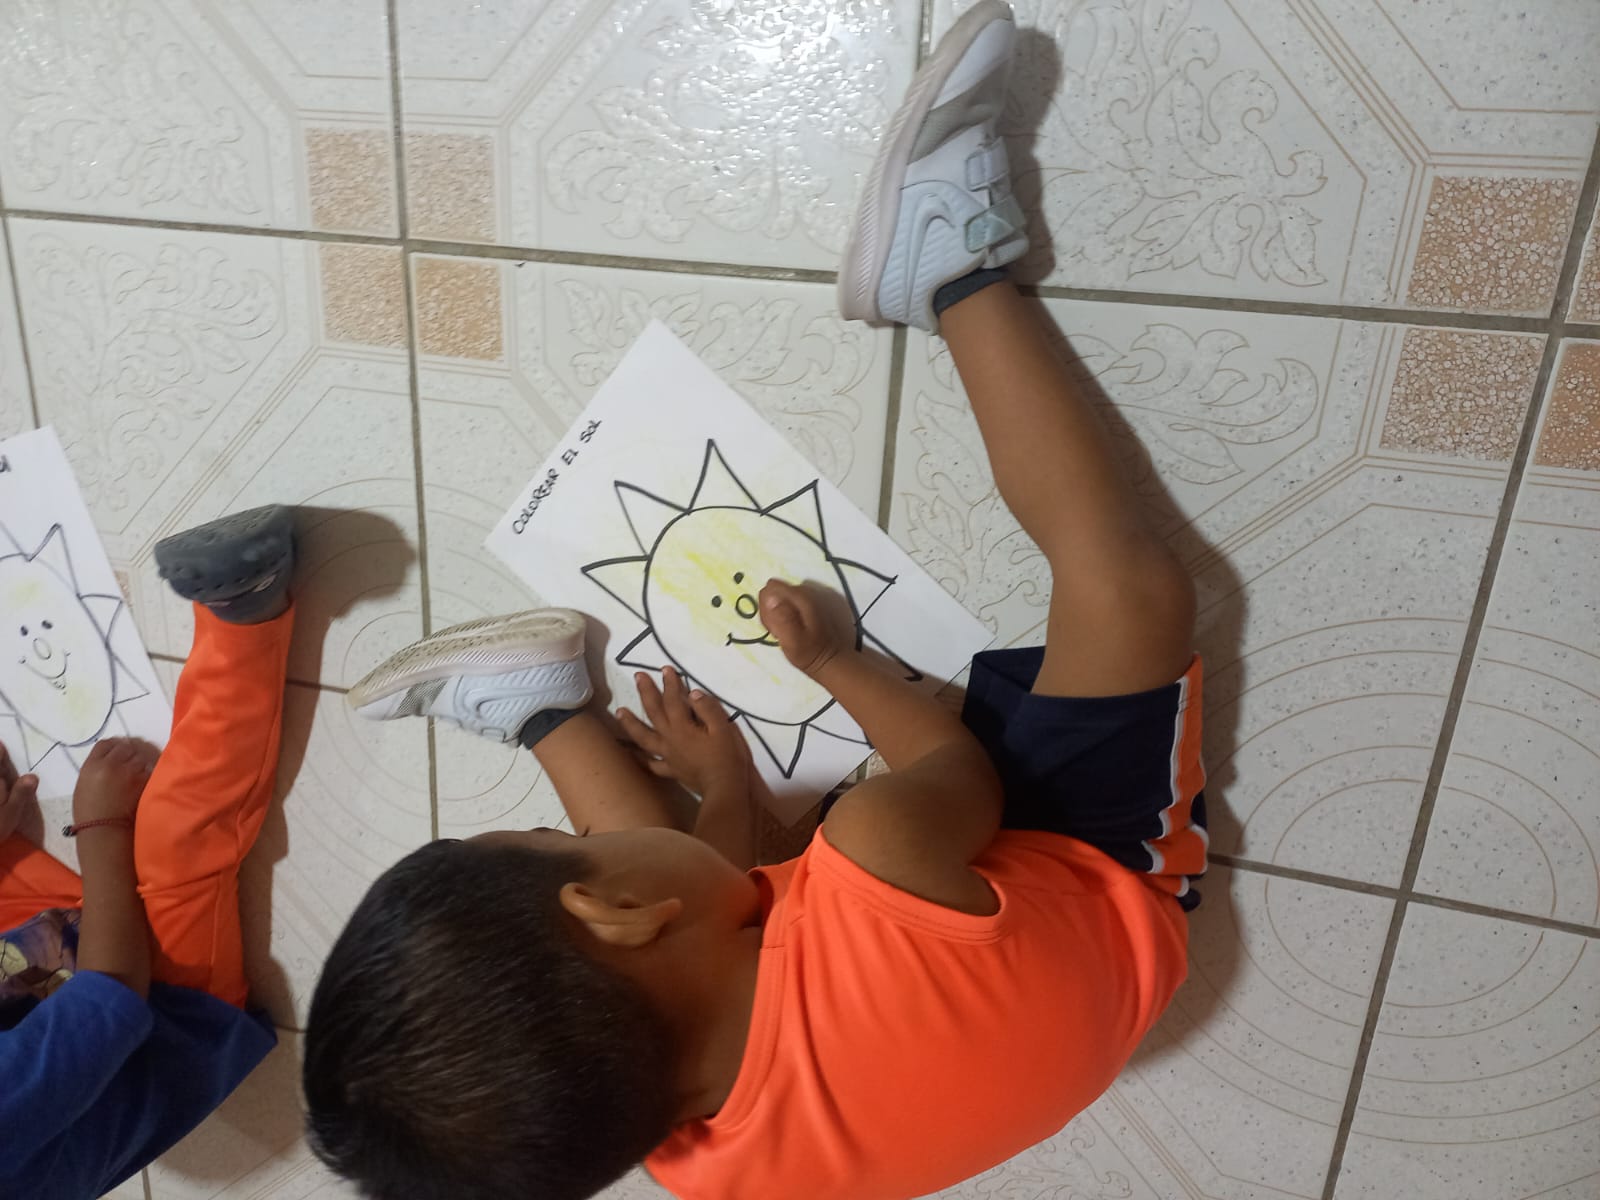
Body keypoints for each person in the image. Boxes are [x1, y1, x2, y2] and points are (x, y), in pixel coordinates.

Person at [302, 3, 1206, 1198]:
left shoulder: (686, 1156)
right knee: (1133, 595)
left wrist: (727, 787)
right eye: (563, 840)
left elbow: (717, 906)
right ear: (617, 910)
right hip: (1096, 896)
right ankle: (951, 264)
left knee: (648, 979)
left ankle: (544, 708)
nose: (580, 831)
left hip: (945, 989)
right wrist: (835, 664)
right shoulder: (879, 853)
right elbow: (943, 769)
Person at [0, 506, 298, 1200]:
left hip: (33, 973)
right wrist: (101, 825)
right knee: (177, 834)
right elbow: (111, 993)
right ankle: (245, 608)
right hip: (161, 1016)